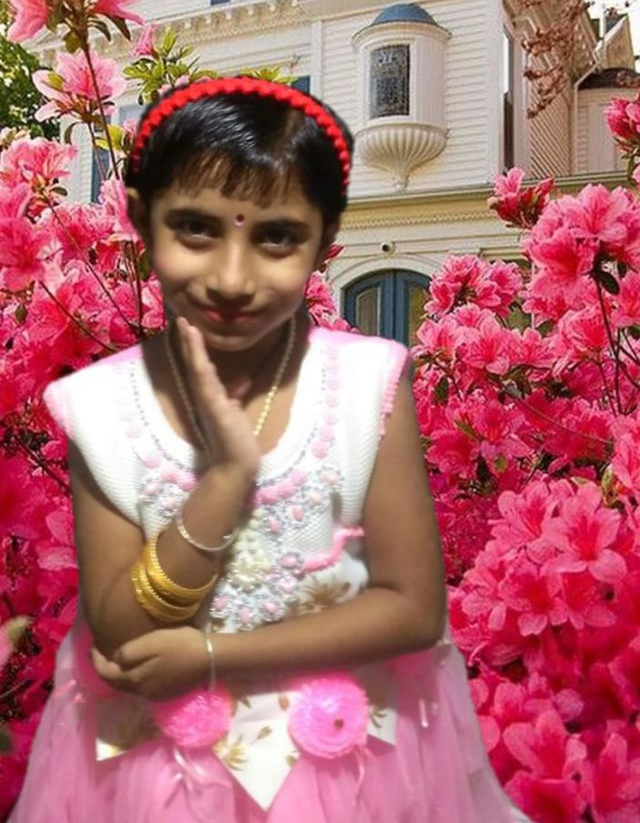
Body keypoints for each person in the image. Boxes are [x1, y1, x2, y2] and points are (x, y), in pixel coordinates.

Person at [10, 76, 530, 823]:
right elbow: (122, 628)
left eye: (277, 237)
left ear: (324, 239)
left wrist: (213, 657)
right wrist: (223, 486)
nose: (233, 276)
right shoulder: (102, 404)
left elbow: (414, 609)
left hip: (349, 771)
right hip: (158, 780)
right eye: (195, 229)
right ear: (142, 221)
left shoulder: (367, 386)